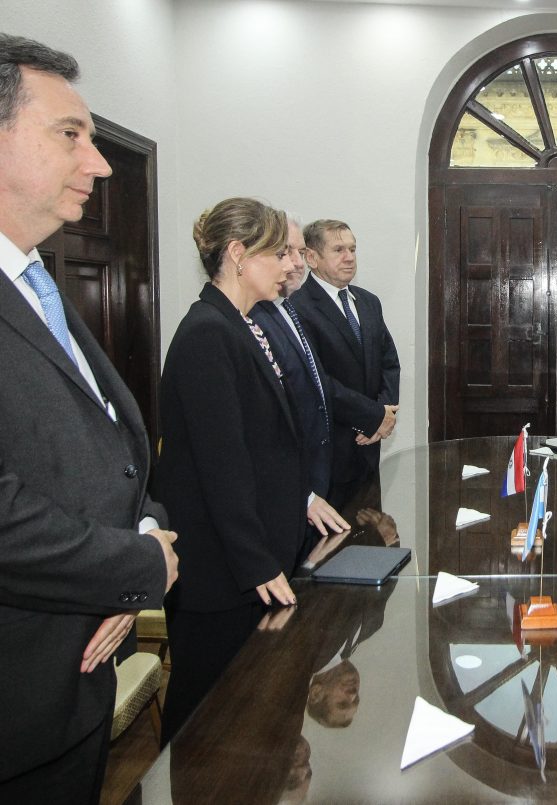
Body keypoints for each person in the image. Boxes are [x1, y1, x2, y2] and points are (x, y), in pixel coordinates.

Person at [0, 34, 178, 802]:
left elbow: (114, 453)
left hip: (70, 690)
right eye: (70, 135)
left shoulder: (37, 279)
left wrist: (140, 536)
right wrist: (140, 567)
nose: (99, 165)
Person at [157, 197, 307, 745]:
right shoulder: (206, 333)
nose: (290, 265)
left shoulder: (242, 324)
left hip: (248, 558)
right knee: (206, 714)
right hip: (220, 573)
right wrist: (257, 562)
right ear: (239, 254)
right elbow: (222, 465)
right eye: (277, 254)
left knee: (248, 710)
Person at [250, 217, 349, 557]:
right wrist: (304, 494)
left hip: (313, 480)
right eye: (284, 252)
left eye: (298, 252)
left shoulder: (286, 309)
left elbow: (315, 383)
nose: (294, 262)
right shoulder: (254, 319)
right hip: (289, 494)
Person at [291, 219, 401, 510]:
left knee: (373, 543)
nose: (349, 257)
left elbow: (389, 362)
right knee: (335, 551)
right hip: (331, 455)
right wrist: (371, 416)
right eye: (338, 249)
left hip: (369, 449)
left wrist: (384, 415)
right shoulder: (298, 308)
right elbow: (318, 381)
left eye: (353, 249)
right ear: (312, 258)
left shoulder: (368, 302)